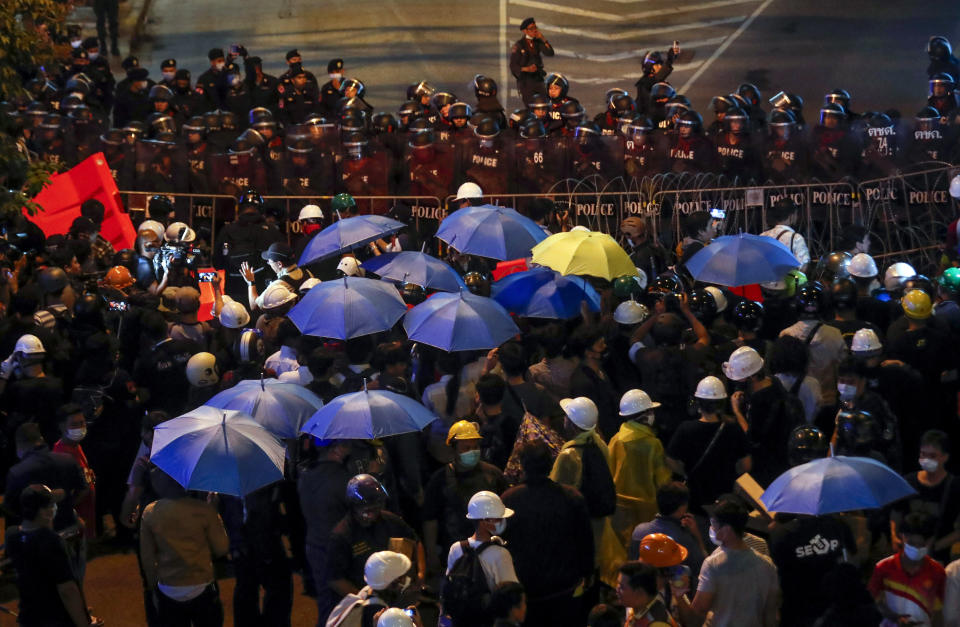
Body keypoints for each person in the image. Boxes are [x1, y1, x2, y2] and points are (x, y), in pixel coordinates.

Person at [502, 440, 594, 626]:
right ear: (551, 463)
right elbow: (585, 541)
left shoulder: (510, 500)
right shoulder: (572, 497)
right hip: (565, 589)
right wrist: (587, 573)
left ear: (523, 464)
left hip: (525, 591)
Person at [139, 469, 230, 626]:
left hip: (168, 588)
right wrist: (214, 514)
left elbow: (147, 559)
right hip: (202, 585)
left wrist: (152, 586)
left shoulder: (150, 513)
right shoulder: (204, 510)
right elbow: (221, 548)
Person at [672, 496, 779, 627]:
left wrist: (679, 595)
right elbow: (771, 614)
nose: (712, 527)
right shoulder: (768, 565)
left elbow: (696, 617)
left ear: (727, 529)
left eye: (714, 523)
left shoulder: (713, 565)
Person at [5, 484, 103, 627]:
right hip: (55, 618)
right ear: (44, 512)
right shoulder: (52, 542)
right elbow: (67, 590)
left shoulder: (12, 535)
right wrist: (83, 622)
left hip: (29, 615)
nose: (55, 507)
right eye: (52, 505)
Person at [423, 420, 506, 577]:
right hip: (456, 552)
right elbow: (430, 519)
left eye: (475, 447)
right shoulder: (439, 480)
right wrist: (431, 553)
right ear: (453, 450)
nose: (472, 451)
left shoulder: (492, 475)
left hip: (491, 548)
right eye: (466, 448)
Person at [667, 376, 751, 513]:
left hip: (696, 499)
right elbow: (746, 465)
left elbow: (670, 460)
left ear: (698, 402)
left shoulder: (685, 429)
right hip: (726, 500)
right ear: (722, 402)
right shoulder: (733, 428)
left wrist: (687, 473)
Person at [443, 491, 519, 627]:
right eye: (499, 518)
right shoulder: (501, 554)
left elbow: (449, 589)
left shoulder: (456, 548)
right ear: (484, 521)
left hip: (461, 620)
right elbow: (511, 596)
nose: (503, 521)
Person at [768, 510, 856, 627]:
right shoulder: (837, 524)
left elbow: (778, 568)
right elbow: (852, 552)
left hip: (798, 607)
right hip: (832, 604)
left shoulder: (781, 533)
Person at [608, 389, 672, 545]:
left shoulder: (616, 440)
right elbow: (663, 481)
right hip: (647, 510)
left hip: (619, 509)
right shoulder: (653, 444)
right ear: (643, 415)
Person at [891, 430, 960, 564]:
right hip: (905, 554)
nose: (926, 460)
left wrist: (935, 546)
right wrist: (894, 536)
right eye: (923, 454)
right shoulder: (909, 481)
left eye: (933, 456)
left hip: (937, 558)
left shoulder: (954, 486)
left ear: (945, 457)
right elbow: (896, 513)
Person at [868, 512, 945, 627]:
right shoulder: (883, 566)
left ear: (931, 540)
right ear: (902, 536)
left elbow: (938, 611)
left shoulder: (937, 571)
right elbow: (874, 599)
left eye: (922, 544)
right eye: (912, 543)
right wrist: (894, 618)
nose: (916, 549)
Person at [629, 483, 707, 576]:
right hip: (674, 588)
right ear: (682, 507)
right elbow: (703, 568)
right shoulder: (685, 539)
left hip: (642, 586)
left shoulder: (639, 531)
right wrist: (697, 536)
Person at [52, 403, 97, 540]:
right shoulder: (61, 455)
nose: (80, 428)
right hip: (74, 522)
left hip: (86, 513)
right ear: (61, 426)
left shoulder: (76, 446)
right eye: (74, 425)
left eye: (82, 423)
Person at [616, 560, 678, 627]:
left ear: (639, 592)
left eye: (621, 587)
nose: (617, 589)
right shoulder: (637, 609)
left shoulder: (657, 623)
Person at [509, 18, 555, 107]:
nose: (534, 30)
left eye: (535, 28)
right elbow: (513, 66)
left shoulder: (537, 42)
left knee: (544, 104)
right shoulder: (519, 45)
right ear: (525, 31)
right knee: (530, 106)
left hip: (538, 79)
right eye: (531, 29)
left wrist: (543, 38)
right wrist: (527, 69)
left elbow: (550, 52)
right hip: (526, 81)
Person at [759, 198, 810, 270]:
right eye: (796, 214)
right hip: (786, 280)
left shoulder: (763, 236)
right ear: (791, 216)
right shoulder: (796, 238)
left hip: (765, 280)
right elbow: (803, 266)